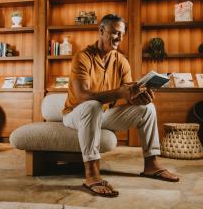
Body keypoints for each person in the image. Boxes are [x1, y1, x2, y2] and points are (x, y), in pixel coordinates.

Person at [62, 14, 179, 197]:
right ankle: (92, 173)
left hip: (103, 115)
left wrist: (140, 98)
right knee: (92, 105)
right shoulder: (82, 57)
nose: (119, 38)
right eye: (115, 33)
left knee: (147, 109)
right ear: (101, 31)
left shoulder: (121, 61)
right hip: (76, 114)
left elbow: (128, 94)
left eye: (122, 34)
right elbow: (83, 96)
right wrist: (120, 92)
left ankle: (151, 164)